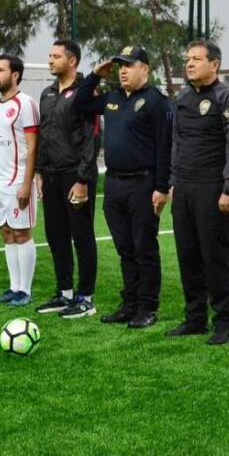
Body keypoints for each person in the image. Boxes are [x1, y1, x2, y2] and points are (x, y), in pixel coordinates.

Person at [73, 46, 172, 330]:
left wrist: (162, 187)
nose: (123, 71)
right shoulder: (113, 98)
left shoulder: (156, 101)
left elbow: (165, 147)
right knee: (125, 248)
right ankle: (129, 304)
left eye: (129, 65)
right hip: (114, 184)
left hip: (143, 184)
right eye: (120, 66)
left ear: (145, 69)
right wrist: (94, 75)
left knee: (144, 248)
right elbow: (80, 104)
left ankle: (147, 307)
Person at [168, 40, 229, 345]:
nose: (189, 63)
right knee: (187, 254)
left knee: (215, 256)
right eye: (187, 58)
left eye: (196, 59)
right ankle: (195, 318)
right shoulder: (184, 96)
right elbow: (177, 141)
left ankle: (224, 321)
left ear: (214, 64)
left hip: (212, 187)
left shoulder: (227, 96)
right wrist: (173, 180)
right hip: (184, 187)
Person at [36, 39, 100, 318]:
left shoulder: (86, 92)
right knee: (56, 236)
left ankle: (85, 298)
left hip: (76, 175)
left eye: (56, 56)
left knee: (81, 236)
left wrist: (82, 179)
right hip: (51, 175)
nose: (50, 60)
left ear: (72, 61)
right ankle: (64, 293)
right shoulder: (47, 93)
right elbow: (44, 135)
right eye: (50, 56)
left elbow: (92, 136)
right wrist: (40, 172)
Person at [0, 55, 41, 307]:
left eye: (0, 70)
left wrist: (27, 183)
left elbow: (33, 147)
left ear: (15, 75)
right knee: (6, 233)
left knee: (21, 233)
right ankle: (13, 287)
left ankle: (25, 291)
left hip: (18, 180)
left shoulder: (26, 104)